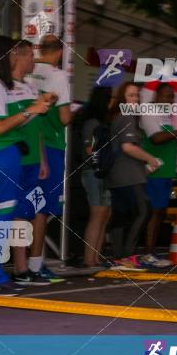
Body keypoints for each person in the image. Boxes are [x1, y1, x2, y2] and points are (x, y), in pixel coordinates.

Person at [0, 36, 51, 295]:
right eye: (13, 53)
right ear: (6, 56)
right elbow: (0, 126)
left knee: (3, 218)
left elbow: (15, 123)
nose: (17, 57)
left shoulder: (0, 84)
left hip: (9, 155)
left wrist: (36, 109)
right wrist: (33, 110)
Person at [9, 39, 59, 286]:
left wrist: (43, 160)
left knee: (29, 212)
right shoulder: (3, 86)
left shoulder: (30, 87)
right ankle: (19, 268)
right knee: (19, 213)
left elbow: (38, 127)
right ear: (17, 57)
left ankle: (28, 267)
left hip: (33, 159)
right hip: (14, 158)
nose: (34, 60)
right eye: (29, 55)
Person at [24, 34, 73, 281]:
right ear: (60, 52)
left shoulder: (27, 72)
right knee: (40, 208)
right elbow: (64, 118)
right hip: (50, 144)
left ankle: (23, 266)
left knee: (24, 205)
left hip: (24, 141)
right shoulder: (58, 76)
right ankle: (35, 264)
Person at [104, 81, 161, 270]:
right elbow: (128, 147)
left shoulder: (118, 117)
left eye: (137, 95)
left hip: (116, 176)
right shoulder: (128, 116)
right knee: (143, 211)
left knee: (121, 215)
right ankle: (127, 256)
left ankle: (119, 257)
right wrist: (151, 159)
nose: (135, 99)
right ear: (122, 98)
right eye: (130, 95)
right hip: (129, 175)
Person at [140, 82, 177, 268]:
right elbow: (156, 139)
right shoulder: (149, 112)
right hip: (155, 172)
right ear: (156, 96)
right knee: (154, 212)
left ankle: (151, 252)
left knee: (160, 212)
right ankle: (147, 254)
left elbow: (168, 143)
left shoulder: (166, 116)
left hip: (167, 170)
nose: (169, 100)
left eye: (172, 97)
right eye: (165, 96)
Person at [79, 85, 113, 269]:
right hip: (94, 172)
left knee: (104, 215)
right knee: (98, 215)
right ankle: (89, 259)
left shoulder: (97, 122)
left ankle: (95, 258)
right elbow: (89, 149)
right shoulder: (92, 123)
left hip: (99, 172)